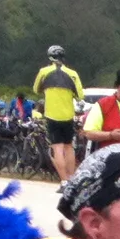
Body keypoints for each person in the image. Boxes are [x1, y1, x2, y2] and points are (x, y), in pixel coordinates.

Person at [33, 44, 84, 178]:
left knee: (57, 148)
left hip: (51, 115)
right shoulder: (73, 74)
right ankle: (71, 178)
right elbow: (80, 96)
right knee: (69, 147)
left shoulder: (44, 72)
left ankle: (63, 179)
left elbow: (36, 89)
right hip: (68, 115)